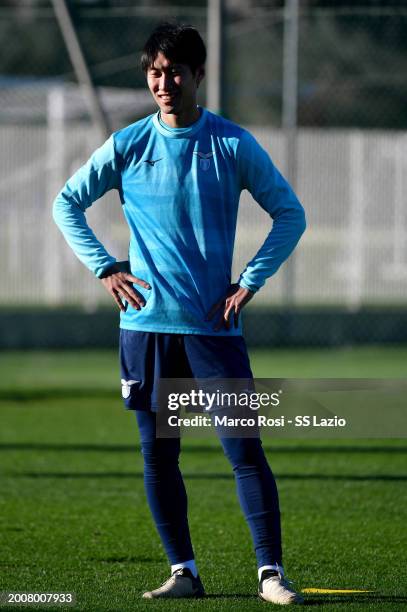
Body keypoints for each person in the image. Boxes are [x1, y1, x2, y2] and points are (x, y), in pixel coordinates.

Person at [53, 22, 306, 605]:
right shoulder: (128, 144)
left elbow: (289, 214)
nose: (163, 83)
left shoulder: (233, 144)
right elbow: (66, 202)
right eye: (154, 73)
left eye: (174, 72)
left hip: (212, 329)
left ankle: (271, 573)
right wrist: (104, 266)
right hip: (145, 328)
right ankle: (183, 572)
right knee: (158, 454)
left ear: (198, 75)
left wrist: (251, 280)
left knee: (244, 449)